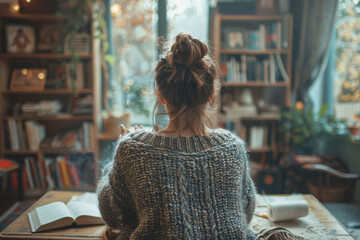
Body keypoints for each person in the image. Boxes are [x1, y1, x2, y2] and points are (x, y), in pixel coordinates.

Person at [97, 33, 257, 239]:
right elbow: (247, 210)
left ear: (161, 96)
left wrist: (118, 158)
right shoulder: (232, 148)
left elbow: (112, 214)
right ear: (210, 95)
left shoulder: (132, 151)